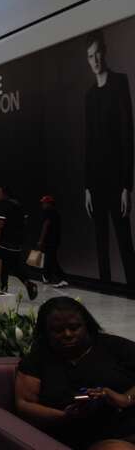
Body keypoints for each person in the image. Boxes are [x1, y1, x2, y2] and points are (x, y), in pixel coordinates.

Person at [15, 297, 135, 449]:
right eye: (58, 330)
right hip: (92, 437)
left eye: (74, 327)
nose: (68, 334)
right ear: (45, 332)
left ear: (86, 325)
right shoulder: (38, 359)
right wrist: (65, 416)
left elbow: (125, 398)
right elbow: (24, 404)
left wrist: (125, 398)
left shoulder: (114, 346)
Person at [84, 30, 135, 286]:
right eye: (90, 56)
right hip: (97, 182)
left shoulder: (119, 83)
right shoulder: (90, 96)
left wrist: (127, 185)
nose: (95, 60)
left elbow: (128, 135)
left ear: (105, 51)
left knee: (125, 242)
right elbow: (89, 143)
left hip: (116, 181)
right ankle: (104, 293)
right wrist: (87, 188)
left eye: (97, 53)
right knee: (101, 243)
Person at [0, 186, 38, 300]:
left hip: (4, 243)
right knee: (15, 267)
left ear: (5, 194)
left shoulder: (2, 205)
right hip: (16, 244)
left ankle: (3, 291)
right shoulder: (19, 205)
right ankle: (28, 283)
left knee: (3, 268)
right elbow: (25, 222)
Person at [39, 195, 67, 288]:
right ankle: (46, 277)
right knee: (49, 259)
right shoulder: (56, 213)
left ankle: (62, 279)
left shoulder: (48, 212)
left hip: (50, 240)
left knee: (51, 259)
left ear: (49, 203)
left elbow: (45, 226)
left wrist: (41, 240)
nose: (42, 204)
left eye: (44, 202)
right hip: (54, 240)